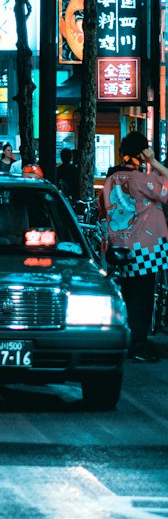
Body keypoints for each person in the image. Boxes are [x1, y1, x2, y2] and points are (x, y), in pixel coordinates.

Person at [101, 132, 168, 362]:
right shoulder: (141, 180)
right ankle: (137, 347)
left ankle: (127, 342)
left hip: (120, 246)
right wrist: (155, 162)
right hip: (145, 249)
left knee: (128, 296)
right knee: (142, 299)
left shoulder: (110, 179)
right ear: (142, 154)